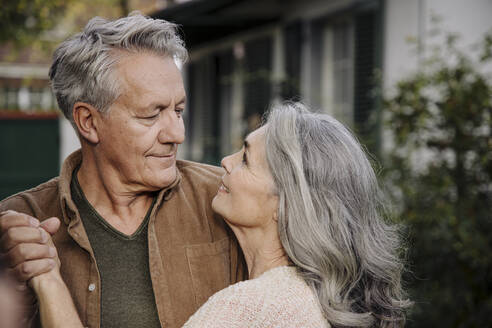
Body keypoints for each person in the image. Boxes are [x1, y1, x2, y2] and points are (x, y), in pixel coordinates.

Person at [29, 102, 411, 328]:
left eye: (245, 159)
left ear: (287, 203)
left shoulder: (250, 309)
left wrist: (48, 277)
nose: (225, 163)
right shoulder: (314, 300)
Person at [0, 13, 246, 328]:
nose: (177, 134)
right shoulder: (20, 225)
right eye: (151, 115)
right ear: (88, 121)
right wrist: (17, 284)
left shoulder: (225, 197)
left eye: (178, 110)